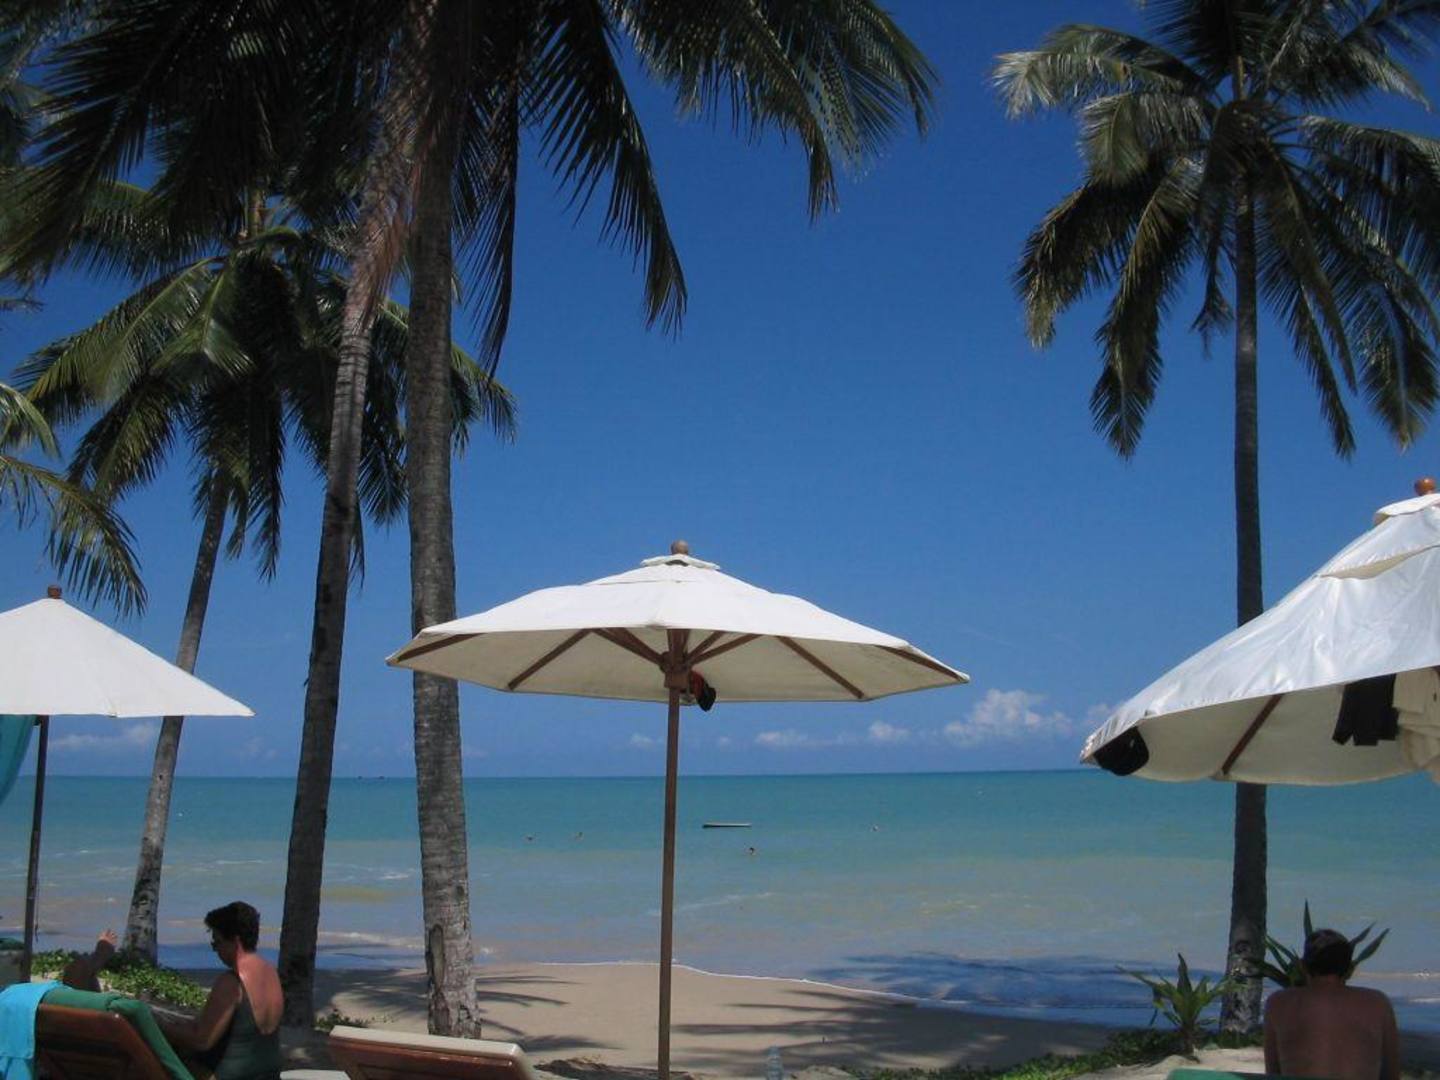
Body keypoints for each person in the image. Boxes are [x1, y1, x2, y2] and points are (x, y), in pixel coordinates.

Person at [157, 901, 283, 1080]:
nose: (216, 950)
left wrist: (158, 1026)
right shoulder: (271, 972)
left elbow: (202, 1040)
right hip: (269, 1073)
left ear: (235, 941)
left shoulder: (231, 982)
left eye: (217, 943)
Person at [1264, 928, 1400, 1080]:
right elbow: (1392, 1073)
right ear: (1350, 969)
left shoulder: (1278, 1003)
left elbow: (1273, 1072)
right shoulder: (1377, 1003)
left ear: (1302, 966)